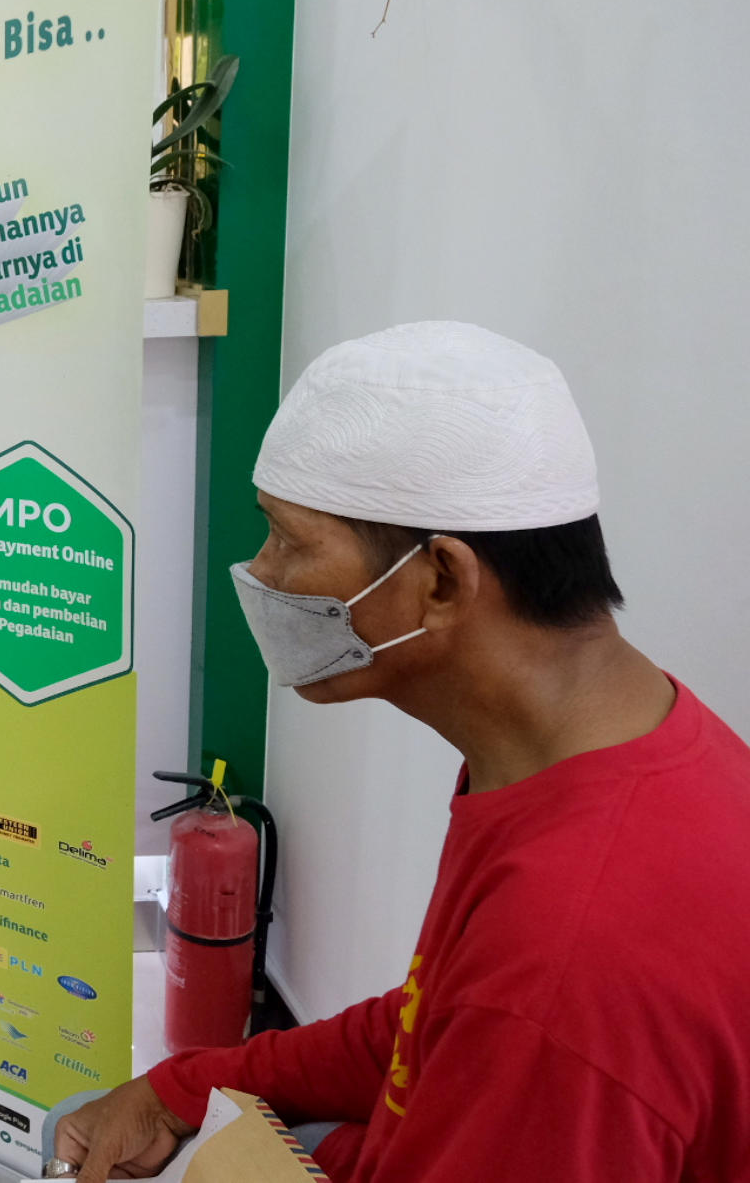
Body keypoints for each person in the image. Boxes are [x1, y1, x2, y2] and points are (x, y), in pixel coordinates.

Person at [49, 322, 750, 1183]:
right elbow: (431, 1023)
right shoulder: (612, 745)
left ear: (443, 579)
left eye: (288, 540)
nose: (260, 573)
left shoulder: (567, 957)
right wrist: (180, 1088)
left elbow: (507, 1019)